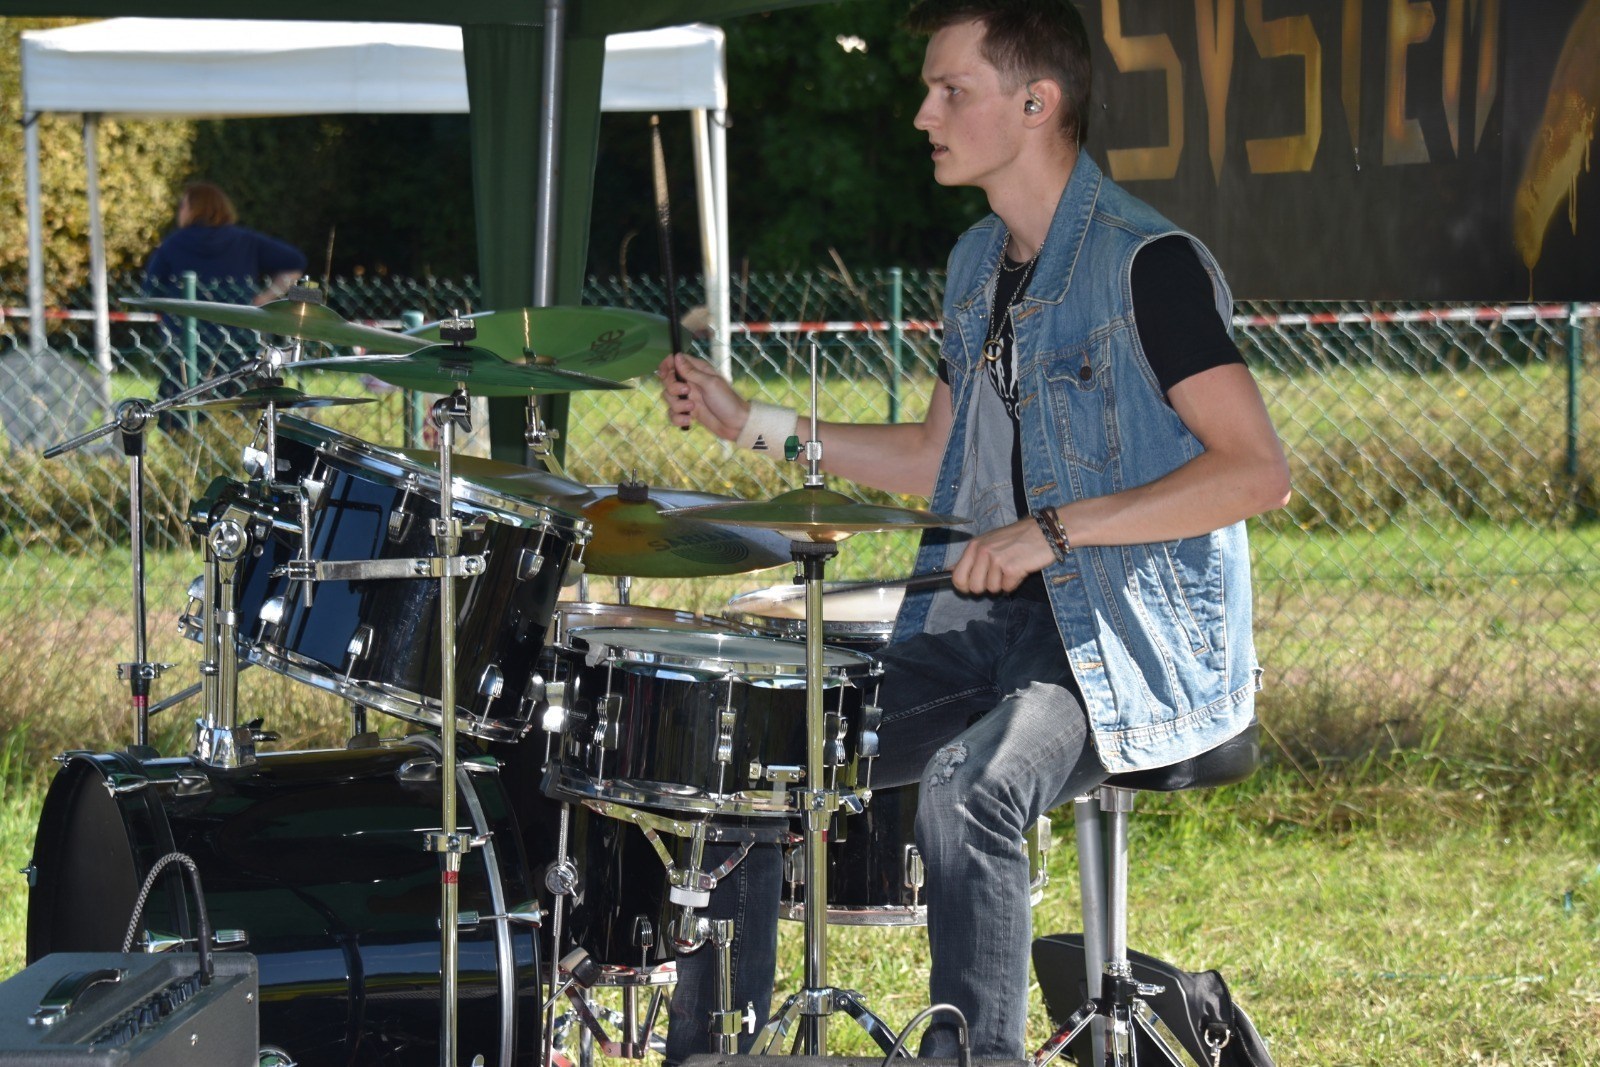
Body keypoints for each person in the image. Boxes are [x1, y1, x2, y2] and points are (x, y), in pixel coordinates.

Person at [657, 0, 1291, 1060]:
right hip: (980, 622)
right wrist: (751, 423)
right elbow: (932, 459)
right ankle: (719, 1049)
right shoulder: (974, 264)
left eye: (951, 90)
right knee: (751, 756)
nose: (924, 114)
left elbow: (1257, 471)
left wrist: (1056, 529)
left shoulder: (1148, 264)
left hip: (1120, 636)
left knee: (967, 789)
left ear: (1036, 104)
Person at [142, 180, 307, 404]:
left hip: (187, 340)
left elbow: (151, 290)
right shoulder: (245, 240)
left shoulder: (173, 244)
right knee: (238, 402)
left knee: (178, 404)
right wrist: (263, 298)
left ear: (194, 209)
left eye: (183, 206)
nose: (179, 212)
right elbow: (295, 262)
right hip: (239, 338)